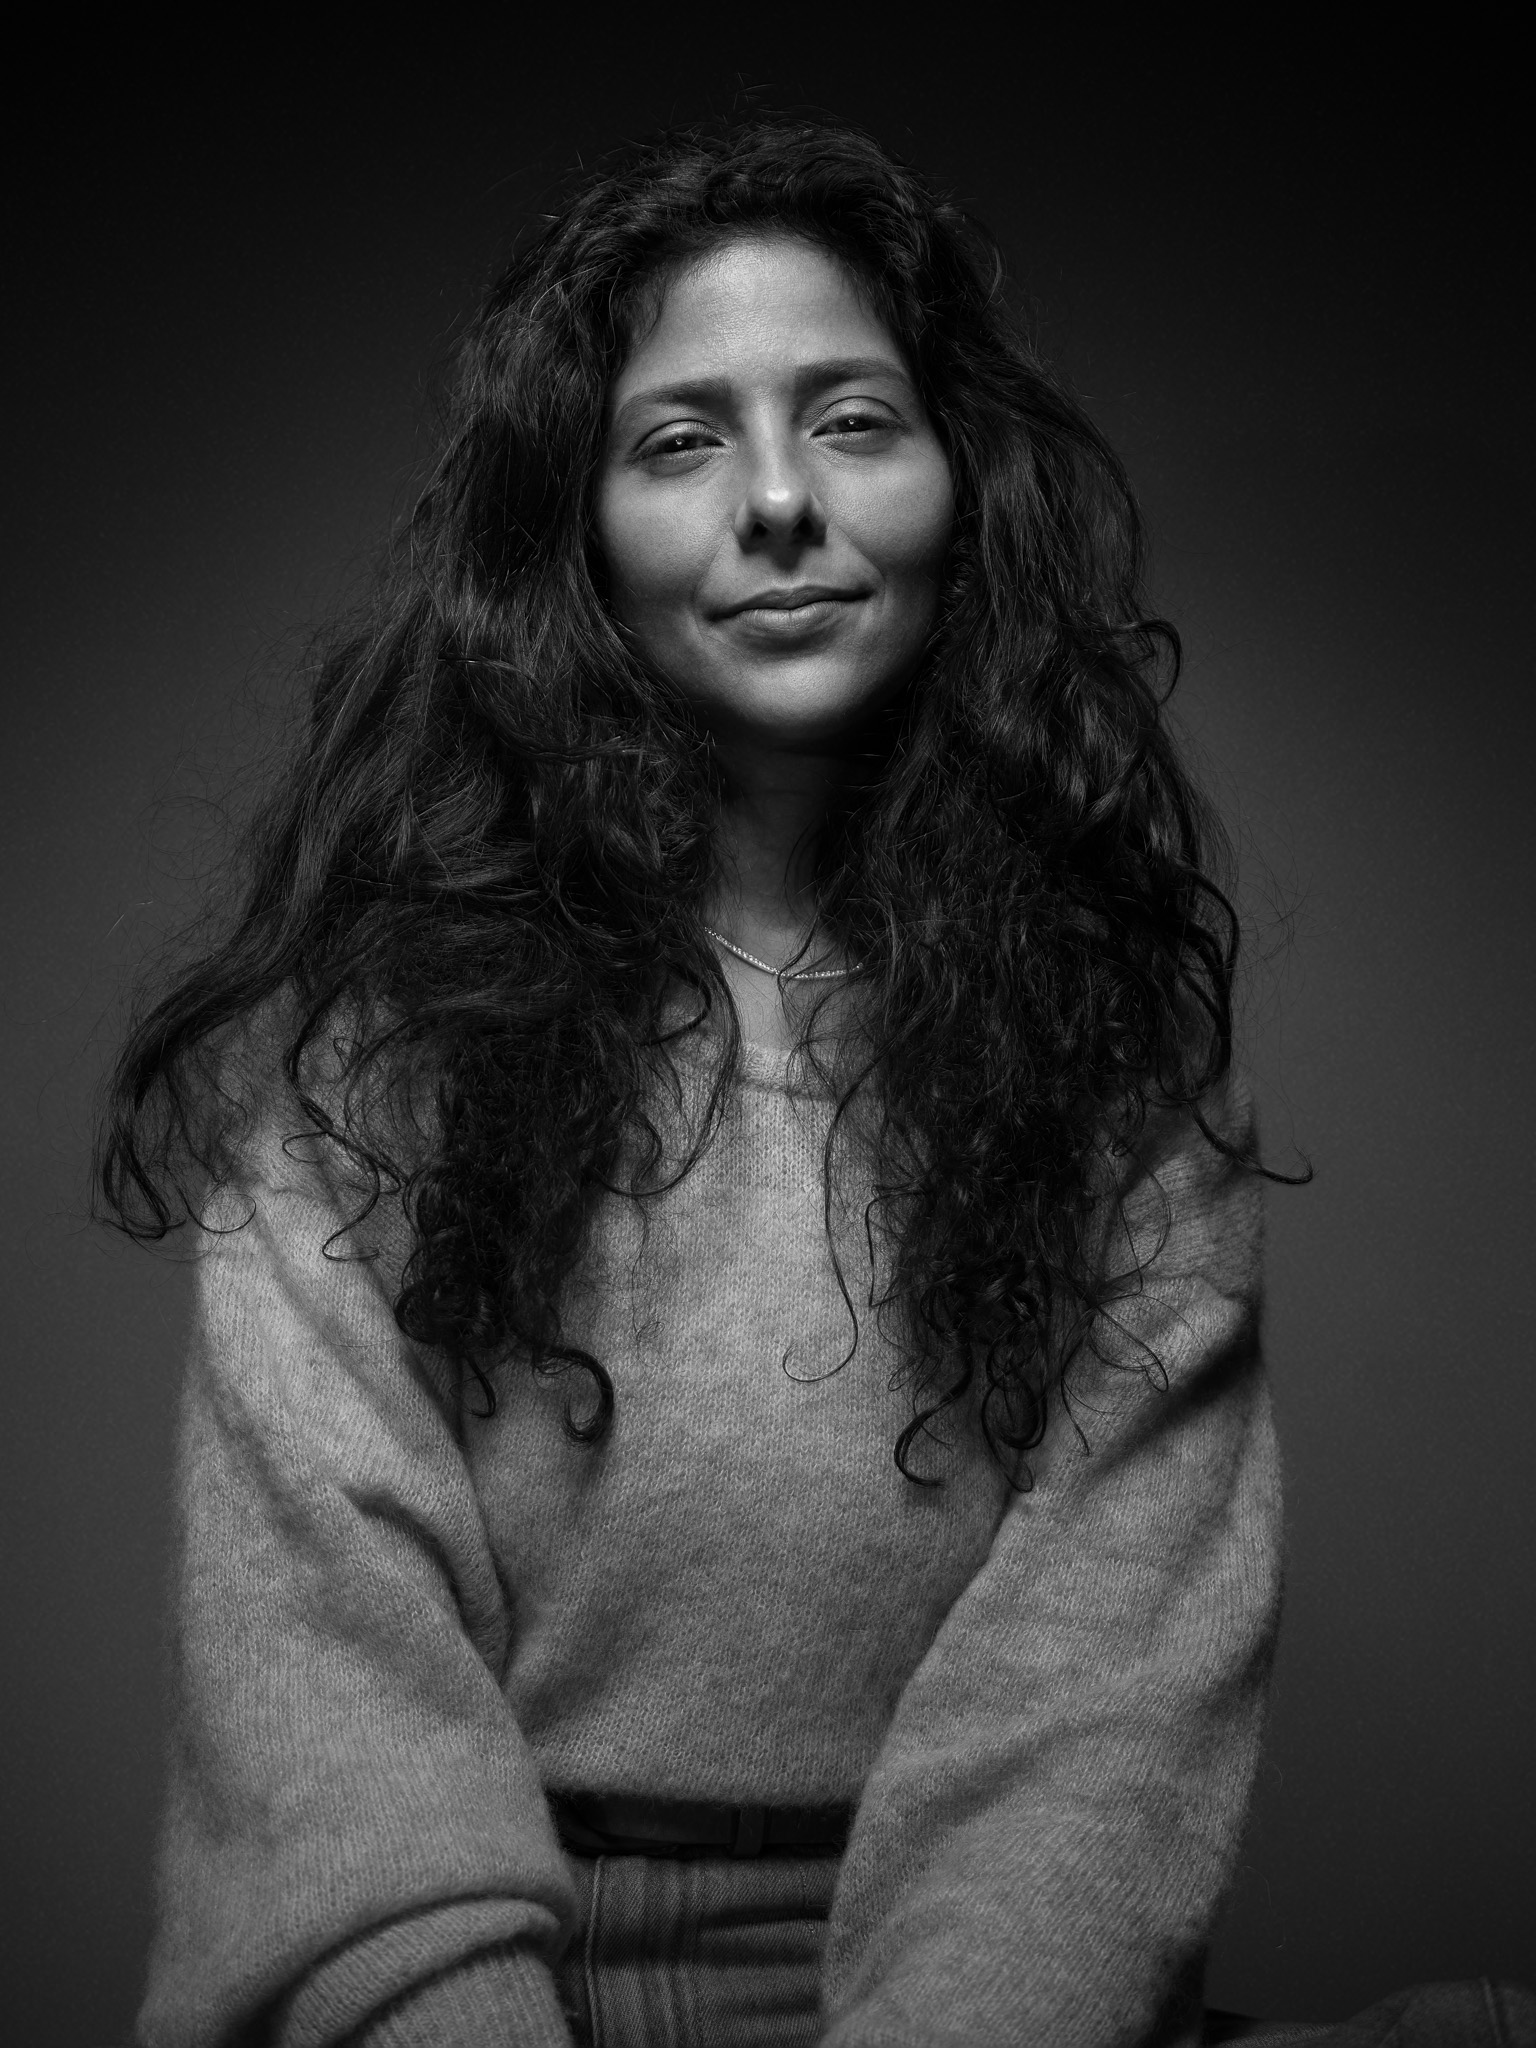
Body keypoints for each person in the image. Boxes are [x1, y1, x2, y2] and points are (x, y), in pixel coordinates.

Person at [100, 114, 1298, 2048]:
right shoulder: (360, 1072)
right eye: (679, 442)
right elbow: (330, 1713)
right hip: (487, 1989)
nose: (780, 503)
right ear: (572, 539)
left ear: (961, 486)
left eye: (852, 420)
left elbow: (1103, 1735)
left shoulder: (1121, 1082)